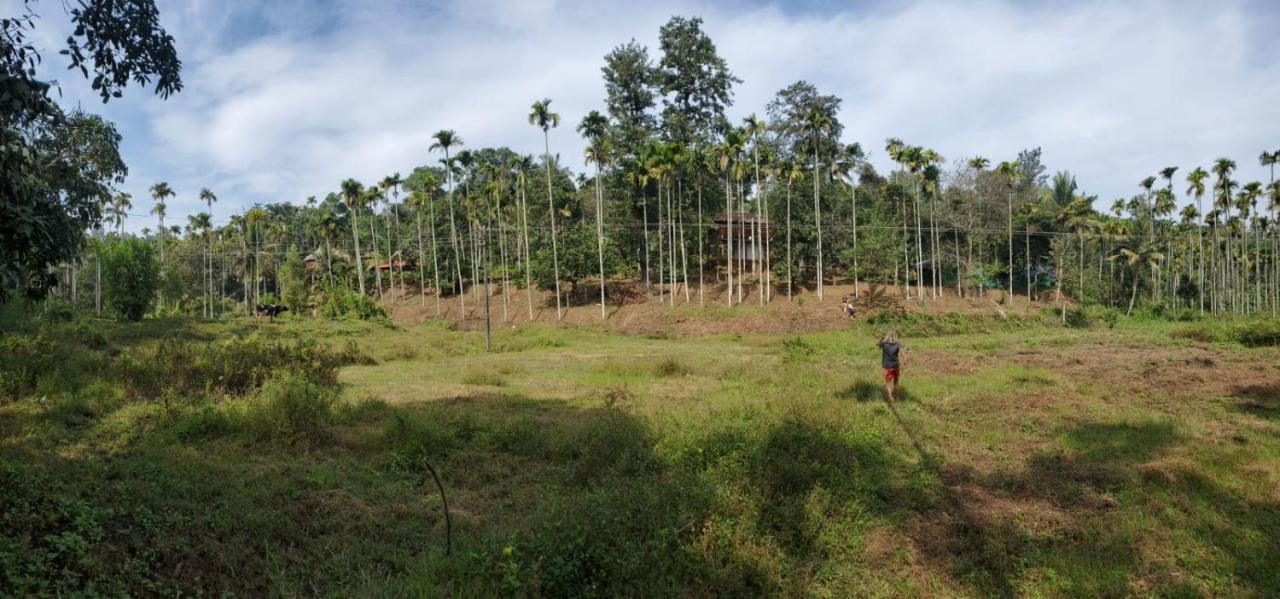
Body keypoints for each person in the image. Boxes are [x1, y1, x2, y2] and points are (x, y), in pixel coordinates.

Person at [877, 330, 904, 401]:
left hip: (888, 367)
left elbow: (877, 344)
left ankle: (890, 396)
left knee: (888, 383)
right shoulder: (898, 344)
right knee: (896, 381)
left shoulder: (884, 344)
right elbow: (903, 353)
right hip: (896, 366)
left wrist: (881, 338)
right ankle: (897, 396)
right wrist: (905, 360)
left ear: (887, 336)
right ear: (895, 336)